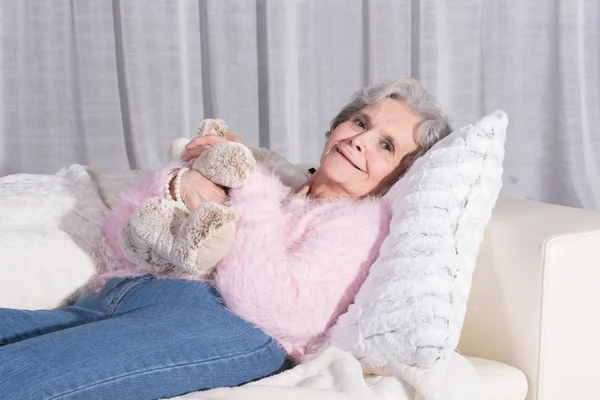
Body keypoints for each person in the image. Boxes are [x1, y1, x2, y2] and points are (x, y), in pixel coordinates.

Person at [0, 78, 452, 399]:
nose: (361, 140)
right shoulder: (275, 179)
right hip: (122, 295)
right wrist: (181, 183)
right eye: (359, 123)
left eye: (386, 145)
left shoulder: (360, 223)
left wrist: (249, 184)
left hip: (228, 328)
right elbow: (122, 237)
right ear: (334, 129)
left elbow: (272, 306)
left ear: (400, 177)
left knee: (22, 377)